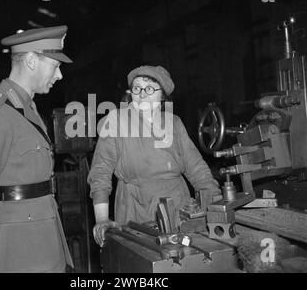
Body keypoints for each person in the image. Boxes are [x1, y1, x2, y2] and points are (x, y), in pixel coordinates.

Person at [0, 26, 74, 272]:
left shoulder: (27, 110)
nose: (59, 75)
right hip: (17, 249)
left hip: (43, 238)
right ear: (32, 61)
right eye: (55, 66)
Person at [88, 65, 222, 247]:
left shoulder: (174, 123)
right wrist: (102, 219)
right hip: (136, 214)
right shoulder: (116, 121)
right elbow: (100, 173)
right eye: (137, 88)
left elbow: (198, 170)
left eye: (150, 88)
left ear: (163, 95)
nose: (142, 94)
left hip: (179, 210)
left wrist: (216, 206)